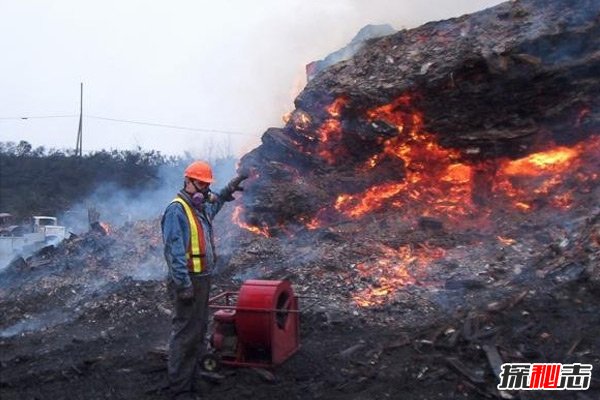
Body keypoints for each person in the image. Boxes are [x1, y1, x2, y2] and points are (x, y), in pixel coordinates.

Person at [161, 160, 246, 399]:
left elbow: (216, 203)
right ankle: (180, 389)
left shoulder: (199, 209)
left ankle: (194, 379)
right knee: (185, 333)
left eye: (207, 185)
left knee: (198, 331)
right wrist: (183, 285)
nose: (205, 190)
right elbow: (173, 251)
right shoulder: (177, 210)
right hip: (189, 281)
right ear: (187, 181)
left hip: (203, 279)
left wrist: (230, 188)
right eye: (201, 184)